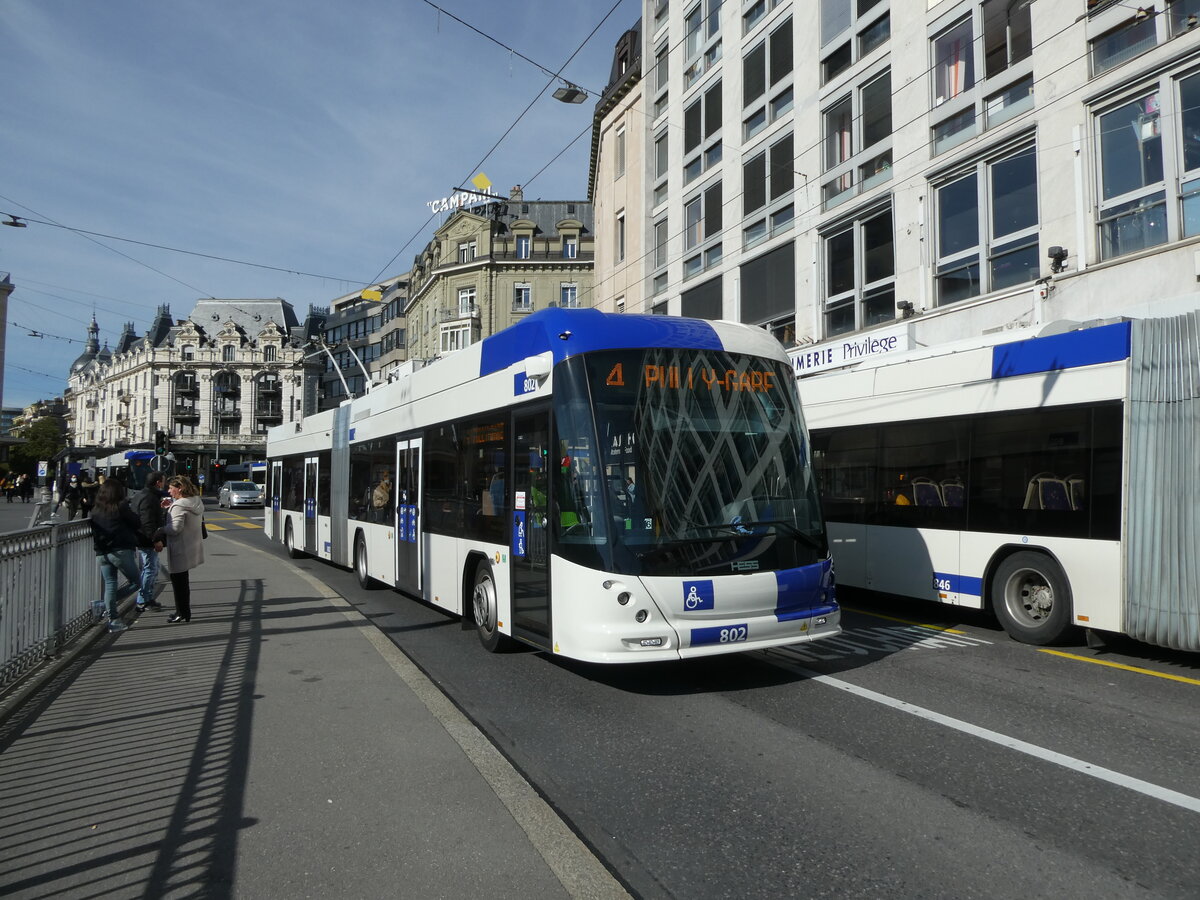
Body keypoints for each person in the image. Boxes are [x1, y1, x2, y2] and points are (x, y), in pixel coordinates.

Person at [89, 480, 143, 633]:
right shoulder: (120, 507)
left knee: (110, 583)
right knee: (136, 582)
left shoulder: (95, 510)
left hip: (102, 552)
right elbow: (136, 522)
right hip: (120, 550)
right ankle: (104, 605)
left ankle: (113, 619)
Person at [154, 475, 205, 623]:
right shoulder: (195, 500)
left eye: (171, 488)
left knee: (178, 583)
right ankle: (185, 612)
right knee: (184, 582)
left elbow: (175, 529)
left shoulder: (178, 506)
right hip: (191, 545)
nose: (169, 491)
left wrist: (161, 529)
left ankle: (180, 613)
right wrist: (171, 506)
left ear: (180, 488)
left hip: (179, 547)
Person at [130, 471, 167, 612]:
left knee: (150, 568)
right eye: (163, 481)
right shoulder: (149, 498)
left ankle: (147, 598)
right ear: (158, 482)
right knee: (150, 568)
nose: (164, 484)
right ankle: (143, 599)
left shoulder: (141, 495)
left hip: (141, 537)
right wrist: (156, 539)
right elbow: (147, 522)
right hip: (146, 539)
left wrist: (160, 508)